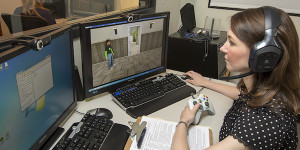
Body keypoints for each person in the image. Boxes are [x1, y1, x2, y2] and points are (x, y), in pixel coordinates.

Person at [171, 6, 300, 150]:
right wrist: (205, 82)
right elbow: (242, 94)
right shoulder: (266, 89)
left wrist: (183, 122)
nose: (222, 48)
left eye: (231, 42)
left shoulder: (265, 122)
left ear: (262, 55)